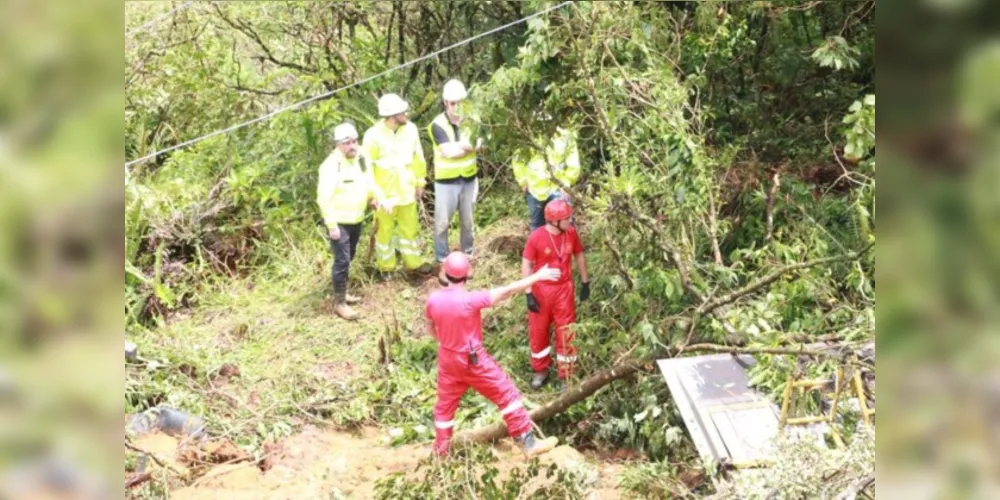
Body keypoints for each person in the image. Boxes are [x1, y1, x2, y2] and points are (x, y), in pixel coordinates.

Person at [425, 251, 561, 458]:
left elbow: (430, 328)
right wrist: (537, 276)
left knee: (444, 407)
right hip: (472, 359)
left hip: (447, 358)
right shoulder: (470, 300)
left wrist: (445, 342)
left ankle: (441, 452)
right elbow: (507, 291)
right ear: (467, 274)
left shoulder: (433, 299)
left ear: (445, 272)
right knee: (507, 394)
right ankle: (526, 442)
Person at [362, 93, 433, 279]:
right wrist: (373, 196)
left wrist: (420, 182)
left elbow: (418, 157)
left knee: (410, 230)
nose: (406, 113)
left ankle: (414, 264)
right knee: (384, 233)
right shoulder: (372, 136)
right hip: (384, 197)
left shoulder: (411, 130)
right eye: (402, 111)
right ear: (393, 115)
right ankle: (386, 268)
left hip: (407, 191)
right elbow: (366, 168)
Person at [521, 200, 590, 391]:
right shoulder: (536, 237)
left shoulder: (571, 233)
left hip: (564, 290)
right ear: (555, 221)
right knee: (539, 330)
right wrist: (528, 293)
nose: (571, 220)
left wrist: (585, 282)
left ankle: (566, 373)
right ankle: (540, 370)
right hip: (541, 290)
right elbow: (526, 264)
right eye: (567, 218)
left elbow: (579, 255)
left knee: (566, 331)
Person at [426, 79, 483, 283]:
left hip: (469, 179)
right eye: (452, 103)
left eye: (460, 102)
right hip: (446, 182)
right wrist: (469, 146)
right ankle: (443, 261)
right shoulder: (436, 125)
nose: (456, 107)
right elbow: (448, 152)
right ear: (445, 102)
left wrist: (463, 146)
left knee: (468, 222)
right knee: (442, 223)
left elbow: (481, 143)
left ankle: (467, 257)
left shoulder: (474, 120)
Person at [316, 122, 373, 320]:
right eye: (347, 143)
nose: (352, 146)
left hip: (356, 217)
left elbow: (369, 179)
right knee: (341, 261)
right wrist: (331, 225)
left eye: (355, 141)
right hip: (339, 221)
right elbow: (324, 197)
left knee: (350, 256)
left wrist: (373, 198)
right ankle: (339, 303)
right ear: (338, 145)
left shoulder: (361, 157)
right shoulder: (330, 166)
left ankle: (344, 292)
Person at [511, 125, 581, 231]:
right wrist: (523, 180)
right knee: (537, 226)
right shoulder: (526, 134)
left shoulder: (565, 135)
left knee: (563, 223)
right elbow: (518, 159)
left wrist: (567, 182)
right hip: (534, 188)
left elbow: (573, 161)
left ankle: (565, 247)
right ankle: (540, 247)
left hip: (558, 187)